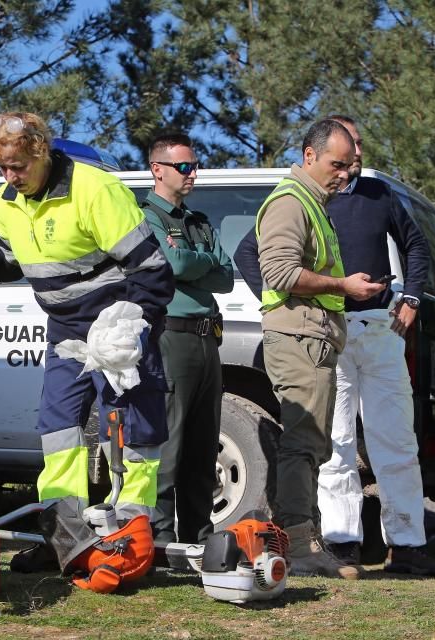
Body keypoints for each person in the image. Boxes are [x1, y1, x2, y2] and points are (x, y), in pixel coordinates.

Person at [0, 112, 174, 572]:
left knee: (130, 429)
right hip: (65, 330)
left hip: (118, 324)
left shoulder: (95, 190)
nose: (11, 177)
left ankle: (131, 537)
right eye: (2, 168)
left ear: (41, 152)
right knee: (57, 429)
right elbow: (10, 259)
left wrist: (132, 327)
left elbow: (152, 269)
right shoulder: (7, 200)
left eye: (18, 166)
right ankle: (65, 539)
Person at [309, 116, 435, 576]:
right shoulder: (304, 199)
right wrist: (287, 307)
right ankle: (342, 545)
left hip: (382, 330)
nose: (355, 155)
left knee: (397, 439)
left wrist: (410, 299)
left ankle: (406, 545)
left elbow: (416, 247)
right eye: (346, 147)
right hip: (331, 332)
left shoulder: (379, 194)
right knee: (337, 441)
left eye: (359, 145)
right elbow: (254, 253)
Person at [255, 118, 384, 579]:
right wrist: (342, 285)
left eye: (350, 166)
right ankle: (300, 543)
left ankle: (305, 541)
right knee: (302, 444)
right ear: (309, 156)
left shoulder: (313, 202)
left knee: (313, 445)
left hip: (314, 337)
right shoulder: (291, 202)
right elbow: (280, 272)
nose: (344, 174)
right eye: (336, 164)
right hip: (298, 337)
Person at [142, 133, 233, 544]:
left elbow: (226, 277)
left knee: (202, 446)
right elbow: (172, 262)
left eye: (195, 166)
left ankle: (199, 537)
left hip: (206, 339)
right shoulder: (147, 216)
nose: (193, 173)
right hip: (170, 338)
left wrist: (194, 264)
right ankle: (159, 540)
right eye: (184, 167)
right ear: (157, 169)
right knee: (169, 446)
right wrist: (203, 262)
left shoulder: (197, 221)